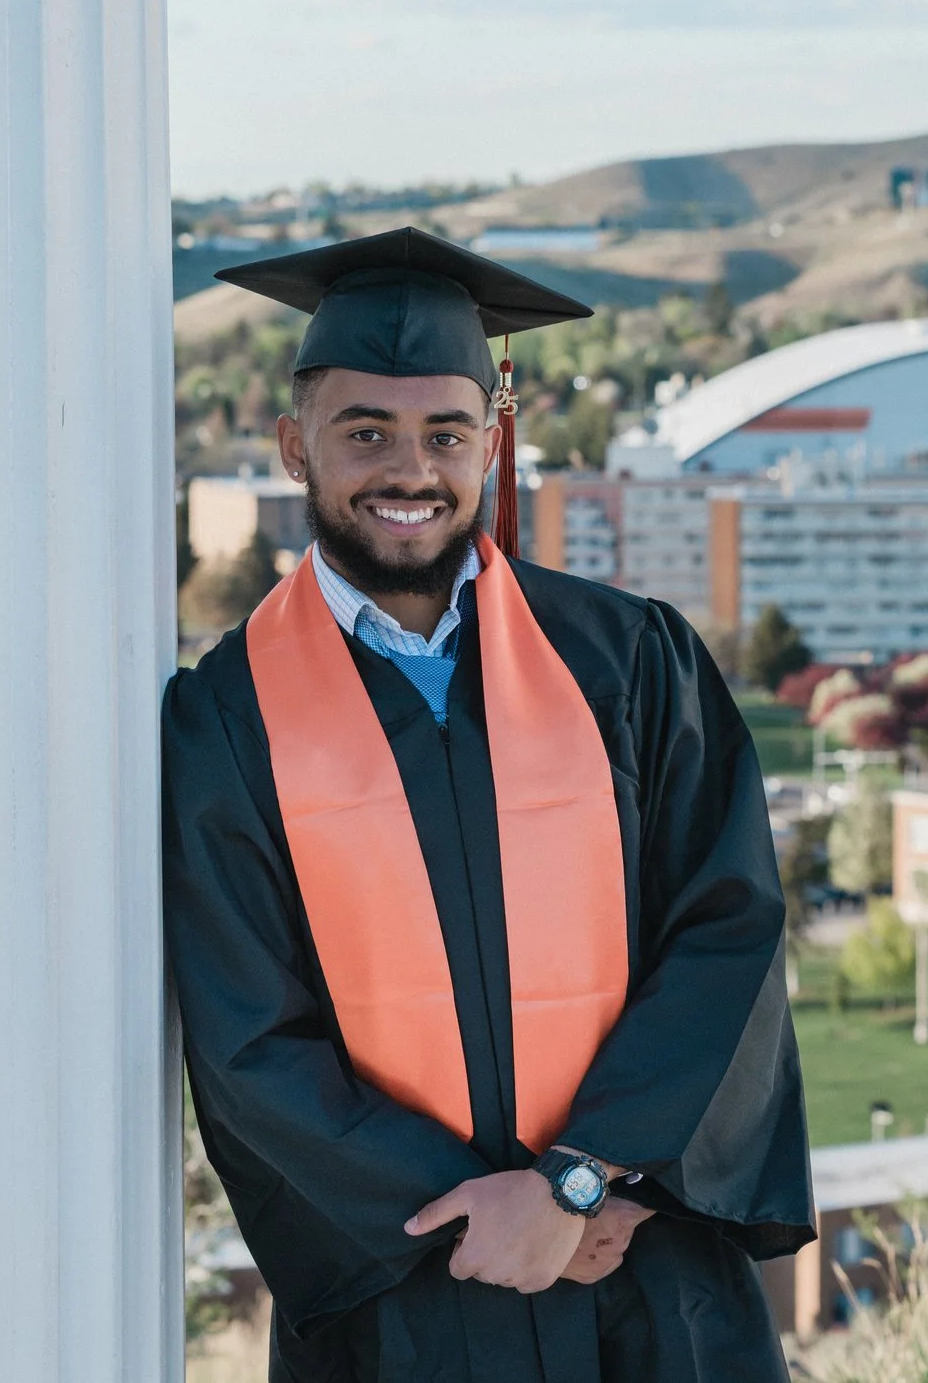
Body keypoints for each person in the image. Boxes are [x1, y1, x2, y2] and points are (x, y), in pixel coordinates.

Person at [163, 227, 811, 1382]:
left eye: (444, 433)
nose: (407, 468)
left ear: (490, 441)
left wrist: (585, 1182)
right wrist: (489, 1219)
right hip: (412, 1299)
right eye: (365, 430)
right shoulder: (228, 716)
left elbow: (726, 934)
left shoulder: (627, 660)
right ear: (292, 444)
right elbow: (249, 1034)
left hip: (643, 1271)